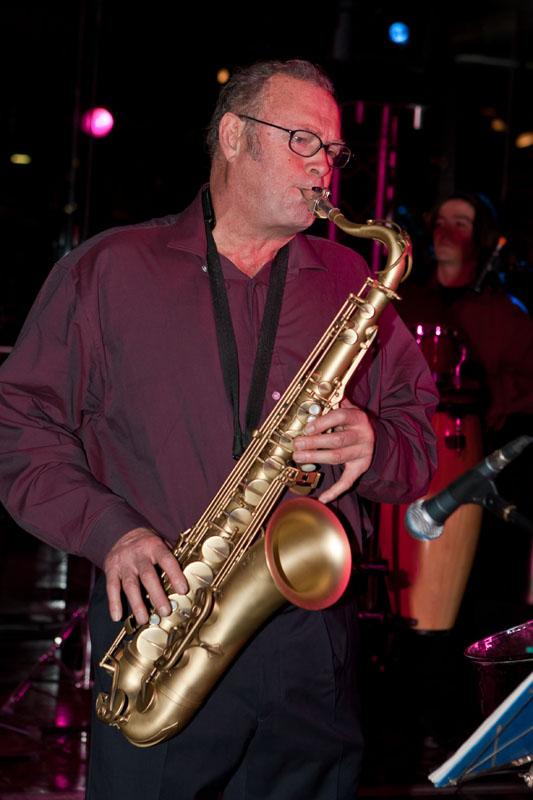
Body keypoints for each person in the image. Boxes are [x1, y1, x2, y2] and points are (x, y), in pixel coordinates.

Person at [0, 59, 438, 800]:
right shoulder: (108, 271)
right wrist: (113, 531)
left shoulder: (349, 282)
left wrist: (378, 443)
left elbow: (417, 440)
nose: (324, 168)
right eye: (303, 141)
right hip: (161, 634)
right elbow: (20, 429)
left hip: (308, 651)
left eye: (331, 151)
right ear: (234, 136)